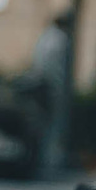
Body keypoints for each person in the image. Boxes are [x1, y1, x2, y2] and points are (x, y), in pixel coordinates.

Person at [31, 13, 74, 177]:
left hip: (41, 86)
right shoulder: (61, 39)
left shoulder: (45, 36)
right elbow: (58, 69)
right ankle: (49, 160)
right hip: (53, 88)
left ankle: (43, 159)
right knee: (53, 126)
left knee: (43, 124)